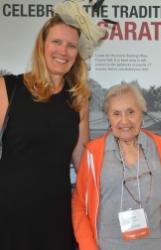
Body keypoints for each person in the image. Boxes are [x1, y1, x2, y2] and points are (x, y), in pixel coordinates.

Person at [0, 1, 106, 250]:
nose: (63, 51)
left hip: (57, 219)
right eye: (56, 42)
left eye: (71, 46)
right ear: (42, 46)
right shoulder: (7, 89)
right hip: (9, 217)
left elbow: (83, 161)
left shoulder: (79, 100)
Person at [72, 83, 161, 250]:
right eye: (116, 113)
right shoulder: (93, 154)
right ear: (108, 117)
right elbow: (80, 205)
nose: (124, 121)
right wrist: (88, 246)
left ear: (141, 113)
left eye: (131, 112)